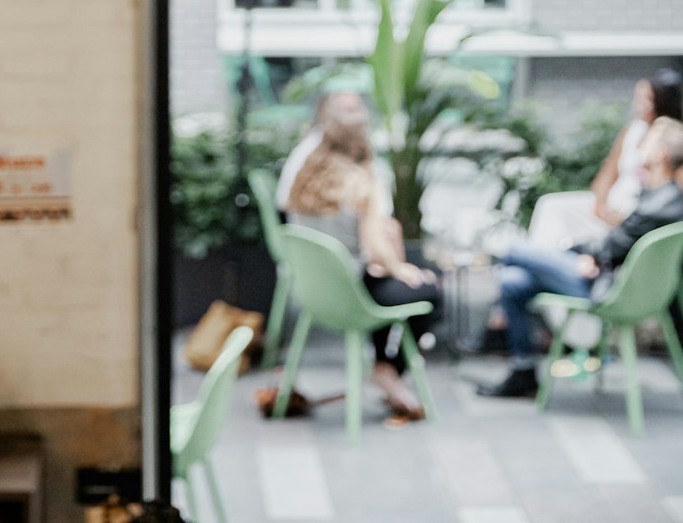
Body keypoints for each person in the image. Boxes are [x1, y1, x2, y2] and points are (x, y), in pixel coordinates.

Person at [477, 115, 683, 398]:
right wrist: (587, 253)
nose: (639, 148)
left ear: (660, 154)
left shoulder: (658, 204)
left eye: (647, 142)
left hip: (609, 287)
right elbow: (616, 242)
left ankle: (508, 342)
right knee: (513, 281)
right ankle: (523, 370)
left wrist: (587, 254)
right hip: (613, 278)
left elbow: (613, 244)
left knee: (512, 251)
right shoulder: (664, 198)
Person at [286, 95, 441, 420]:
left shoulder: (301, 176)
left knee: (383, 283)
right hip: (352, 296)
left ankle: (385, 371)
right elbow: (377, 248)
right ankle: (389, 369)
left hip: (313, 293)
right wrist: (402, 268)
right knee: (428, 290)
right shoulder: (361, 182)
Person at [529, 69, 683, 250]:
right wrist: (600, 204)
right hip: (611, 205)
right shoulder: (633, 130)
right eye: (638, 98)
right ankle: (541, 260)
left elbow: (667, 197)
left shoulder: (672, 137)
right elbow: (609, 170)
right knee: (552, 206)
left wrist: (629, 217)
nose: (639, 105)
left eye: (647, 99)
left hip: (637, 213)